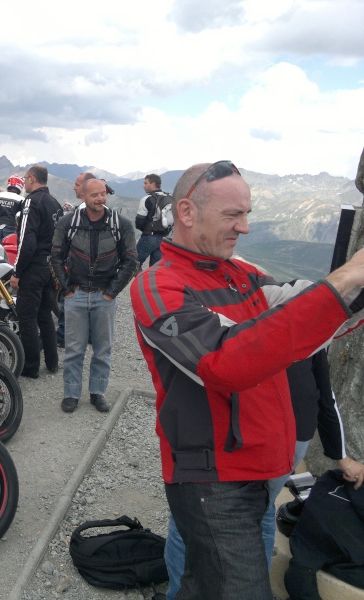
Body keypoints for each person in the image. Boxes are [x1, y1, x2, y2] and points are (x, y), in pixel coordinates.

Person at [130, 160, 364, 600]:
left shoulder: (244, 275)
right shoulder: (156, 286)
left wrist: (354, 287)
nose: (245, 228)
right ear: (186, 212)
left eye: (247, 215)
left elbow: (308, 316)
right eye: (233, 216)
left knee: (205, 585)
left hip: (261, 465)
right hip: (214, 481)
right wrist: (347, 276)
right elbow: (226, 362)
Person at [163, 347, 364, 599]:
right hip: (295, 432)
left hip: (251, 428)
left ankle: (180, 593)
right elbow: (325, 390)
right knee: (261, 511)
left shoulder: (246, 312)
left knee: (189, 520)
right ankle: (254, 588)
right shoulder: (307, 318)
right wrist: (341, 456)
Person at [51, 178, 137, 413]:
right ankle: (71, 393)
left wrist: (111, 293)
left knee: (103, 348)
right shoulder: (68, 223)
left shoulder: (121, 224)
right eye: (95, 195)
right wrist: (66, 290)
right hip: (76, 294)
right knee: (74, 349)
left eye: (103, 194)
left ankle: (97, 392)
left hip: (104, 295)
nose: (100, 198)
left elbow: (131, 261)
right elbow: (55, 257)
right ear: (83, 197)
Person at [9, 165, 60, 379]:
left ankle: (30, 367)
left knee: (27, 316)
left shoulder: (31, 201)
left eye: (25, 178)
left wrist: (17, 272)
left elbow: (26, 241)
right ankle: (52, 361)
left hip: (35, 266)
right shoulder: (54, 203)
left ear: (31, 179)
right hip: (50, 266)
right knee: (45, 314)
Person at [56, 172, 95, 347]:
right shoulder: (97, 210)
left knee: (69, 299)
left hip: (78, 266)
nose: (74, 187)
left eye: (77, 184)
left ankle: (64, 336)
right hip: (93, 268)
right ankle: (89, 334)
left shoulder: (81, 211)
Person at [134, 173, 171, 268]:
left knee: (134, 264)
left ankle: (141, 282)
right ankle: (153, 283)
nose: (143, 186)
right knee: (156, 268)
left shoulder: (147, 199)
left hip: (149, 237)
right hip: (164, 238)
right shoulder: (169, 197)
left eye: (146, 183)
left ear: (153, 184)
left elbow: (139, 222)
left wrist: (146, 229)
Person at [0, 175, 24, 242]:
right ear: (20, 186)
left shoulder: (0, 195)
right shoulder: (21, 199)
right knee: (9, 249)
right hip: (12, 228)